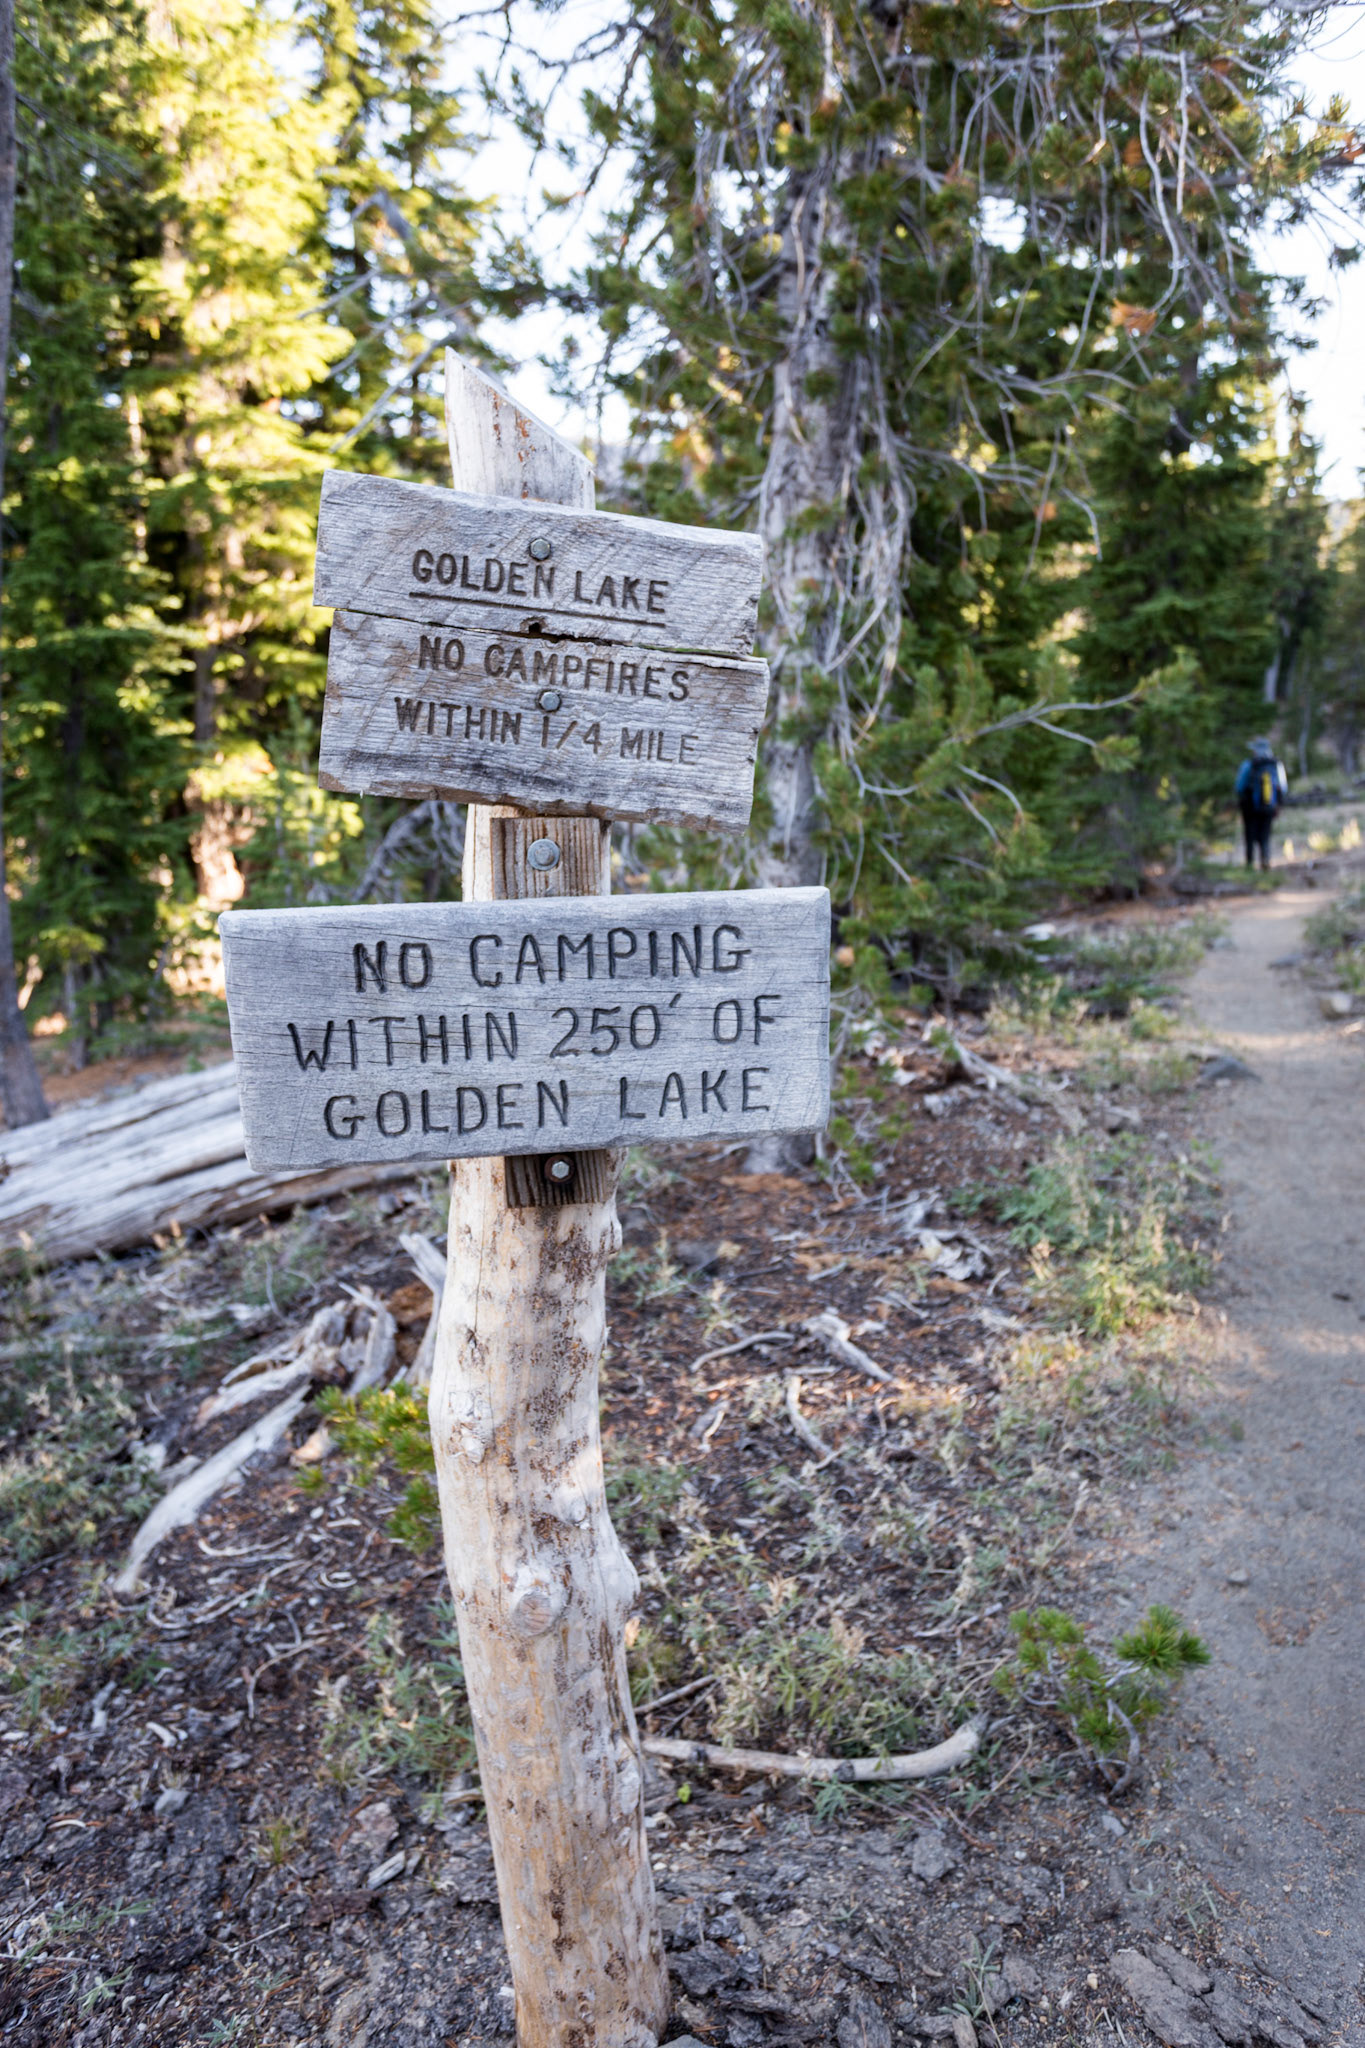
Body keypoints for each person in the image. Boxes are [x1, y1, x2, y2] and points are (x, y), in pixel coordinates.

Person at [1235, 738, 1288, 869]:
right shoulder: (1276, 765)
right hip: (1269, 807)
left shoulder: (1248, 765)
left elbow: (1239, 787)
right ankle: (1265, 860)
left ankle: (1249, 864)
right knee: (1265, 835)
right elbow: (1283, 787)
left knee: (1249, 835)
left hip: (1250, 808)